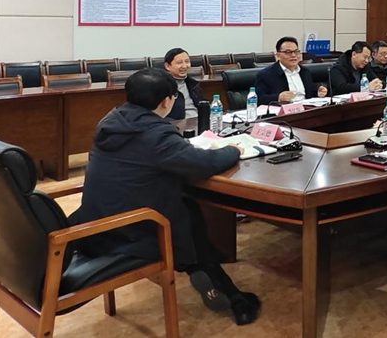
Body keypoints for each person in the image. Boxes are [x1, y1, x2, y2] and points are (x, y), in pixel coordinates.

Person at [68, 69, 261, 325]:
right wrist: (233, 149)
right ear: (166, 101)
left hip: (93, 224)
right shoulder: (155, 134)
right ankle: (218, 282)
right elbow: (203, 164)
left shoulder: (111, 121)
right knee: (187, 213)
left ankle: (207, 271)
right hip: (129, 235)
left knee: (187, 208)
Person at [254, 36, 328, 105]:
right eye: (288, 52)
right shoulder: (266, 75)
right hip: (285, 112)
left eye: (296, 52)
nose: (293, 55)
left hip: (306, 109)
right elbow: (258, 99)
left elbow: (309, 92)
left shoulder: (304, 71)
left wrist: (317, 92)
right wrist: (278, 97)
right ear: (278, 56)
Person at [163, 47, 204, 121]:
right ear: (167, 66)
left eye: (187, 62)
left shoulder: (193, 84)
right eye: (179, 62)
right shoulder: (162, 86)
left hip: (198, 121)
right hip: (176, 124)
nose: (184, 66)